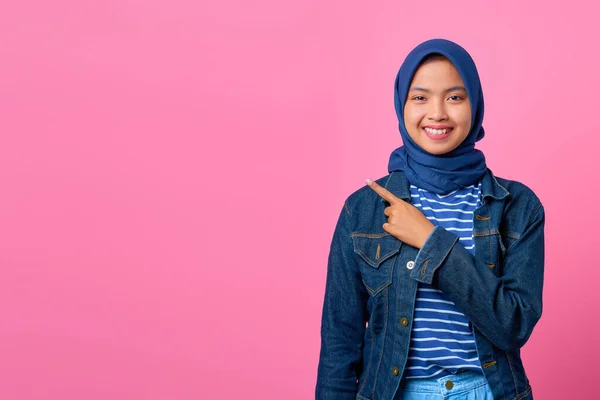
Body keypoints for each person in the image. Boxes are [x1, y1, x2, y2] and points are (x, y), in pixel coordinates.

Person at [315, 39, 545, 400]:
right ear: (401, 105)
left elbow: (513, 324)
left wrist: (431, 241)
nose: (437, 113)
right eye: (420, 97)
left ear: (476, 104)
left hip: (487, 391)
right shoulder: (362, 210)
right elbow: (340, 340)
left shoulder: (517, 207)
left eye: (455, 97)